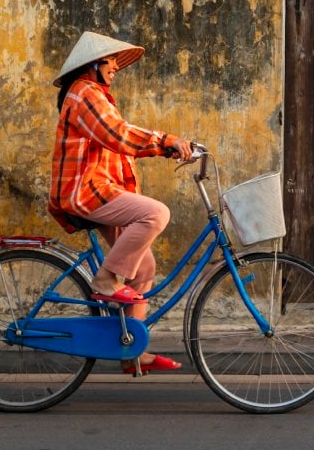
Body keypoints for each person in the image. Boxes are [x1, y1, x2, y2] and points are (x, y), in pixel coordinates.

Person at [49, 30, 195, 374]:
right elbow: (118, 134)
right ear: (92, 65)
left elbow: (117, 142)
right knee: (156, 213)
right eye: (110, 60)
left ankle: (130, 351)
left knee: (143, 268)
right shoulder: (84, 92)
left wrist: (165, 148)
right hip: (84, 191)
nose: (115, 66)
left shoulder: (95, 94)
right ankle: (104, 280)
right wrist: (166, 141)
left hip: (99, 189)